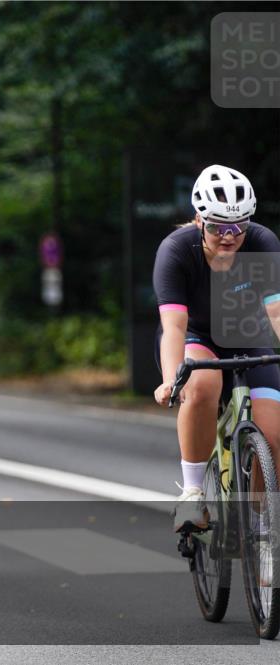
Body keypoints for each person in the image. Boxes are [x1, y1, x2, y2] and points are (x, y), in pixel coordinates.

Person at [153, 164, 280, 533]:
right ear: (198, 219)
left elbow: (275, 310)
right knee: (202, 385)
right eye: (217, 227)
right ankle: (192, 493)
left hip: (250, 336)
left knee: (273, 436)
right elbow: (173, 325)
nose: (228, 236)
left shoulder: (263, 242)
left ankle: (260, 524)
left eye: (238, 226)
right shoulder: (176, 250)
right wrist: (170, 379)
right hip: (198, 337)